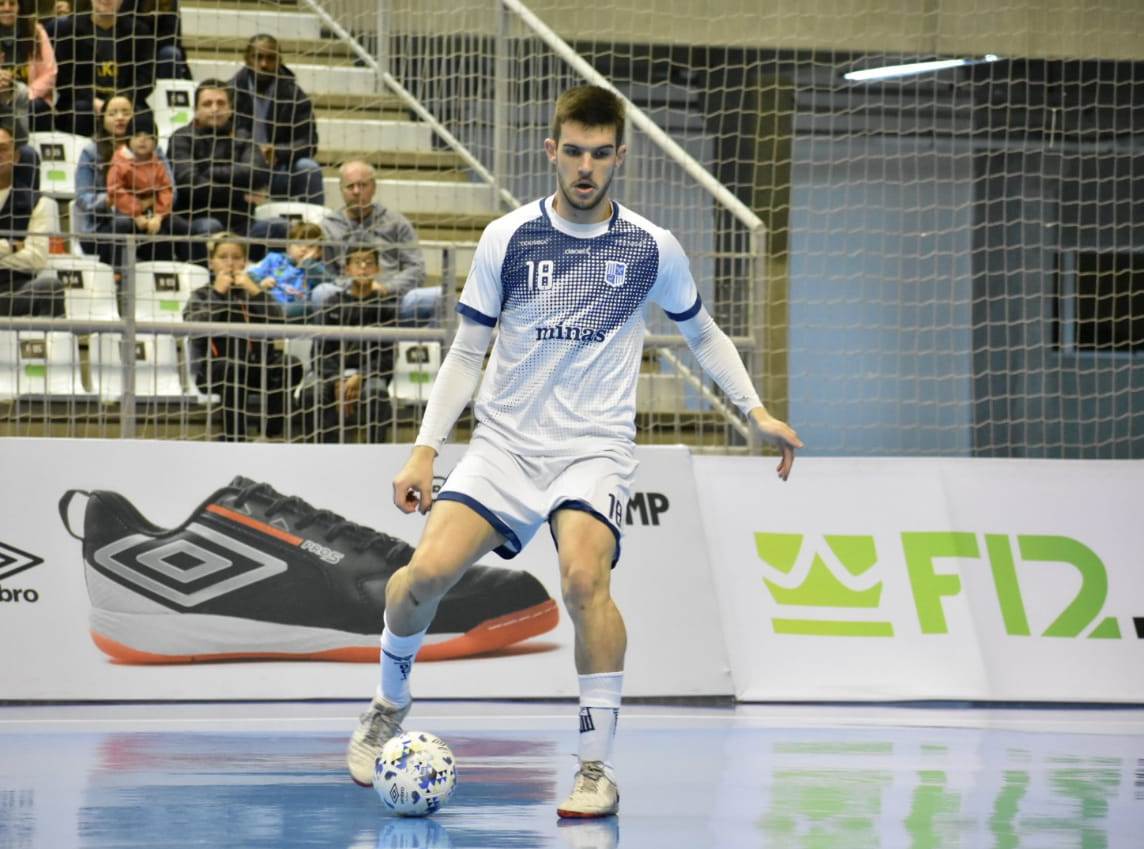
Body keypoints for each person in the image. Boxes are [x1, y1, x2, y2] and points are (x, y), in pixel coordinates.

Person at [344, 85, 803, 818]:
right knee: (418, 579)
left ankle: (595, 766)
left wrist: (756, 409)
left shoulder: (652, 247)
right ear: (552, 151)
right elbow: (467, 351)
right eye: (574, 152)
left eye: (601, 154)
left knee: (586, 580)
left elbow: (702, 332)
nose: (586, 168)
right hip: (504, 445)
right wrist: (425, 450)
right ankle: (386, 702)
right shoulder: (509, 238)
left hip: (593, 449)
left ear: (619, 155)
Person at [183, 233, 301, 441]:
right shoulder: (202, 294)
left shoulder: (254, 293)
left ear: (245, 263)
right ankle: (235, 438)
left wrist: (255, 292)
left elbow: (281, 323)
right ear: (211, 263)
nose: (230, 263)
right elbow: (194, 328)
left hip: (257, 366)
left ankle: (272, 435)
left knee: (289, 364)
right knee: (233, 366)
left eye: (237, 257)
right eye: (223, 257)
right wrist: (218, 294)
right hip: (216, 369)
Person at [299, 244, 397, 442]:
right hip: (331, 372)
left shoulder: (386, 307)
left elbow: (388, 356)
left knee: (376, 393)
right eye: (357, 262)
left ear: (377, 270)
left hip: (369, 374)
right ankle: (321, 451)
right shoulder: (332, 303)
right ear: (347, 269)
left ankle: (373, 453)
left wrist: (361, 375)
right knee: (312, 392)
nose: (363, 267)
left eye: (369, 263)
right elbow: (319, 351)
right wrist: (337, 379)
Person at [73, 93, 177, 267]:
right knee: (124, 222)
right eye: (112, 113)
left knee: (173, 224)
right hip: (102, 225)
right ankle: (114, 279)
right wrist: (117, 200)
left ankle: (162, 279)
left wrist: (154, 210)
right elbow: (83, 199)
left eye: (126, 112)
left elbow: (171, 190)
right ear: (102, 118)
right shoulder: (91, 152)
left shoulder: (154, 150)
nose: (120, 118)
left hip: (147, 219)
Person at [167, 79, 271, 243]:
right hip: (197, 219)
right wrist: (241, 194)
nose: (215, 109)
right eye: (207, 104)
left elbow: (258, 172)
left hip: (243, 222)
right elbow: (191, 186)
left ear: (230, 109)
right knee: (211, 227)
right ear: (196, 110)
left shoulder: (243, 136)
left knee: (279, 227)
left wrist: (210, 171)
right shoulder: (182, 138)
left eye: (221, 103)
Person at [229, 34, 322, 206]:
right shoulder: (229, 93)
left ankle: (313, 229)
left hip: (279, 170)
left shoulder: (295, 95)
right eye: (258, 57)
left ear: (279, 60)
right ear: (247, 59)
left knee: (308, 168)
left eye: (270, 58)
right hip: (241, 169)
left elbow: (309, 142)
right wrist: (249, 152)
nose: (264, 64)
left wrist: (277, 151)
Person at [316, 160, 424, 301]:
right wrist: (355, 287)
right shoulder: (328, 226)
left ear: (374, 187)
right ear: (341, 190)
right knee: (320, 293)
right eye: (350, 186)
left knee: (438, 296)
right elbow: (326, 273)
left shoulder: (397, 223)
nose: (356, 191)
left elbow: (416, 268)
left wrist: (388, 288)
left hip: (392, 296)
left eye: (362, 185)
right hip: (346, 297)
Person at [45, 0, 155, 137]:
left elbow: (146, 78)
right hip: (83, 102)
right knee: (81, 109)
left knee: (144, 117)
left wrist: (122, 102)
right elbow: (64, 80)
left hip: (126, 101)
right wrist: (93, 101)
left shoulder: (139, 31)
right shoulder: (69, 29)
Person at [105, 113, 191, 262]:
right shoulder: (120, 161)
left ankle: (178, 267)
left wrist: (159, 216)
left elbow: (166, 189)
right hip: (124, 211)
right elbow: (116, 190)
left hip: (153, 212)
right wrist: (136, 214)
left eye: (149, 136)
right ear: (128, 139)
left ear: (155, 141)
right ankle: (117, 269)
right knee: (122, 224)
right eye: (137, 135)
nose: (142, 140)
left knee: (179, 226)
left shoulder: (156, 163)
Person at [0, 122, 60, 316]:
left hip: (11, 290)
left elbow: (36, 258)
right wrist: (11, 247)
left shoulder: (38, 202)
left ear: (16, 157)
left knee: (50, 288)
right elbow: (26, 251)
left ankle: (53, 346)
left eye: (3, 149)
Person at [244, 219, 332, 319]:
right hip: (268, 304)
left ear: (319, 252)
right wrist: (261, 283)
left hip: (295, 313)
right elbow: (250, 274)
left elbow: (329, 286)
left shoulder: (316, 269)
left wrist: (308, 263)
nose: (304, 249)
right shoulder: (274, 259)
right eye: (299, 244)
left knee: (307, 306)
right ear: (288, 247)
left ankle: (280, 314)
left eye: (311, 246)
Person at [0, 0, 56, 136]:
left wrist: (25, 95)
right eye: (1, 4)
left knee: (37, 108)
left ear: (19, 7)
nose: (7, 8)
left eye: (12, 4)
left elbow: (51, 72)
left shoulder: (35, 31)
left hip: (31, 98)